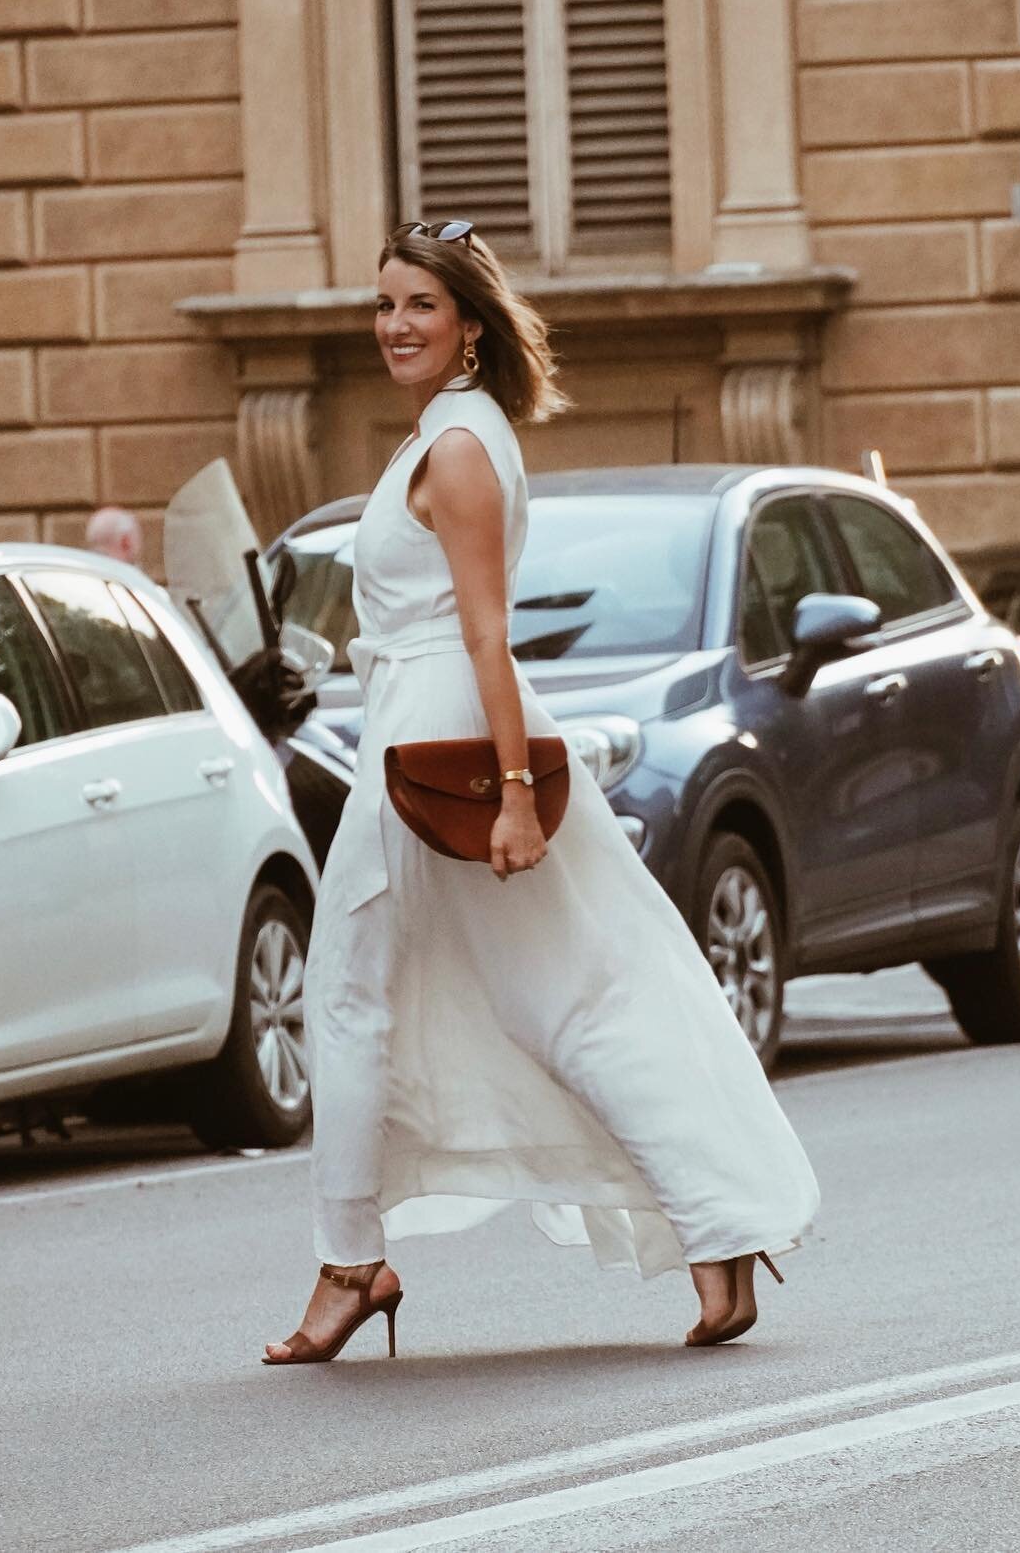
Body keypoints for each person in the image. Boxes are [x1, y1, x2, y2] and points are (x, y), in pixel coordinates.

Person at [263, 222, 819, 1365]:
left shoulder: (459, 448)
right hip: (420, 730)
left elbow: (485, 633)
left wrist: (516, 792)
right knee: (564, 996)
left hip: (436, 746)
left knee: (372, 998)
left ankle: (350, 1262)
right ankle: (715, 1233)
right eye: (384, 304)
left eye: (419, 304)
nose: (394, 325)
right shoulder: (448, 436)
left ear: (469, 325)